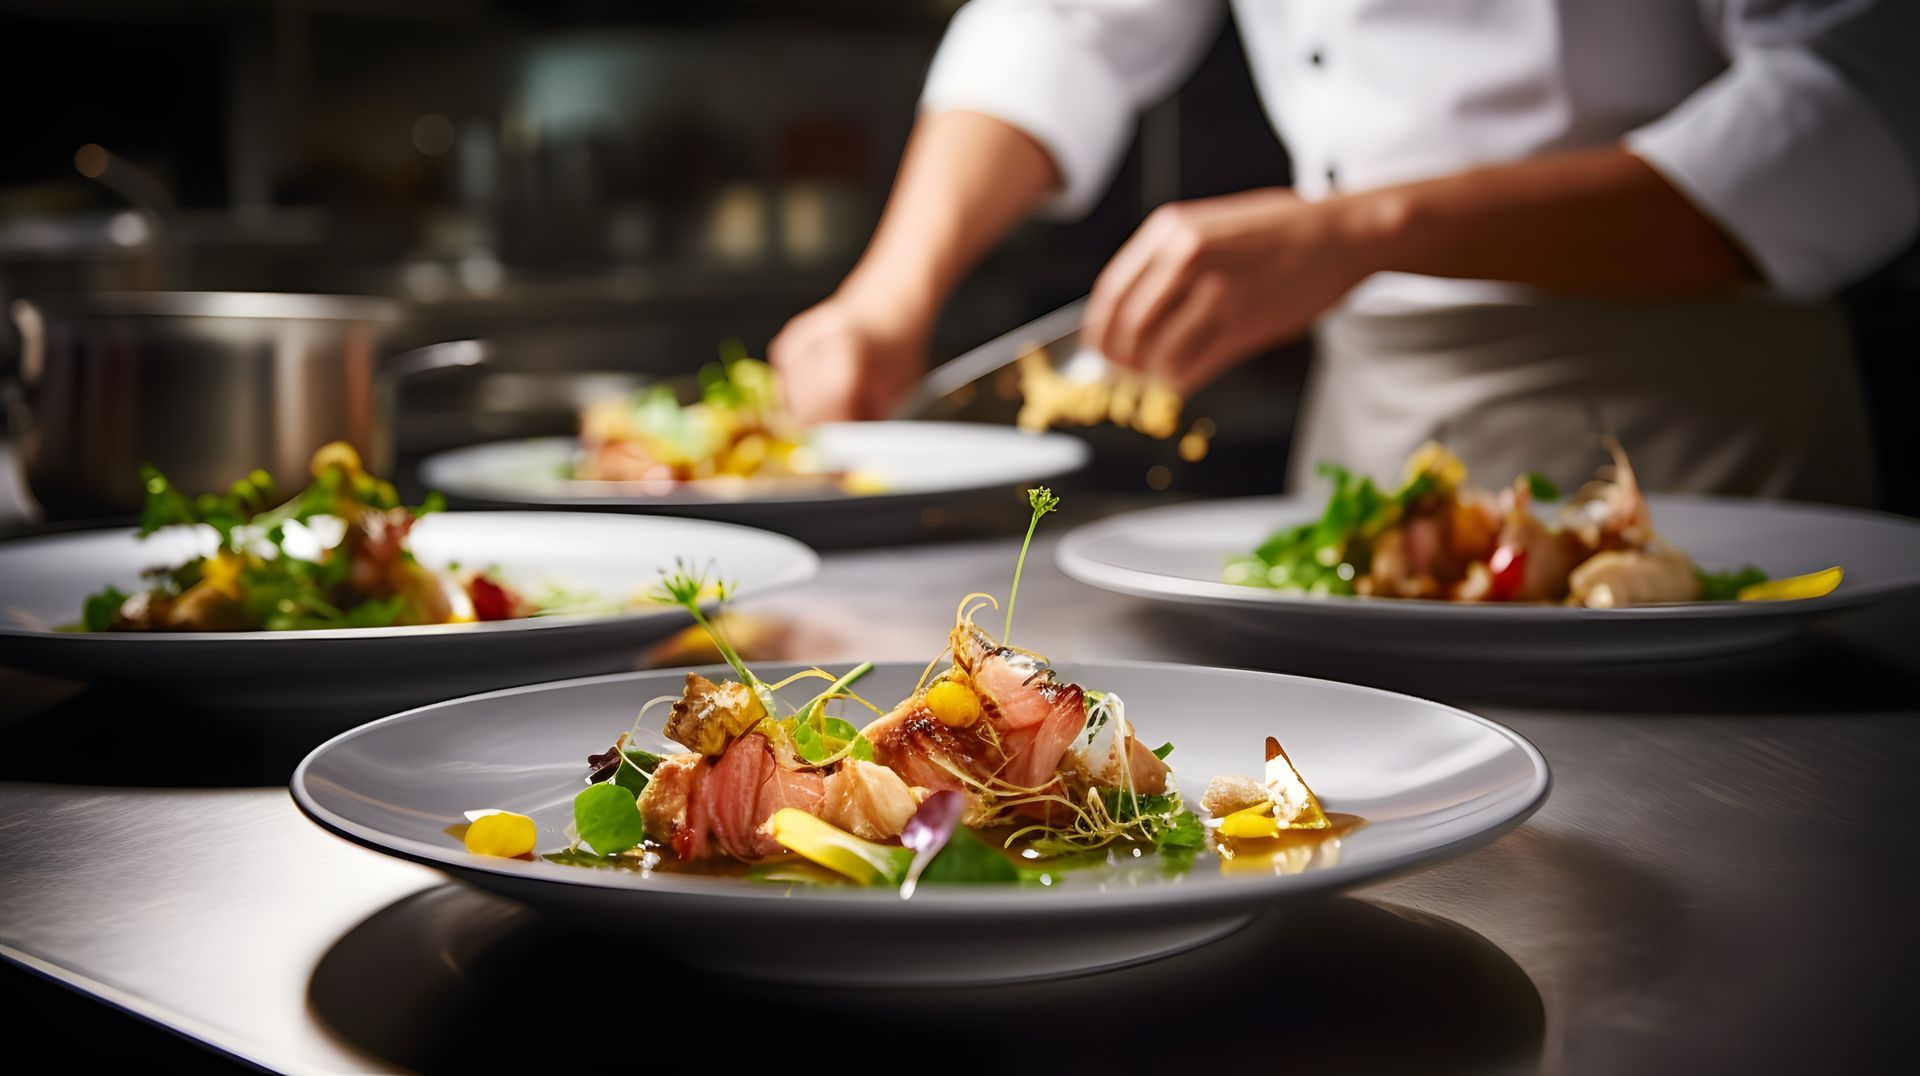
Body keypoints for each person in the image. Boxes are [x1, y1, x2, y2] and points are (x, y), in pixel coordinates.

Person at [768, 0, 1919, 505]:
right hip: (1372, 421)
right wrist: (889, 292)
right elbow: (1060, 20)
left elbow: (1861, 111)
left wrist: (1367, 229)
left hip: (1694, 427)